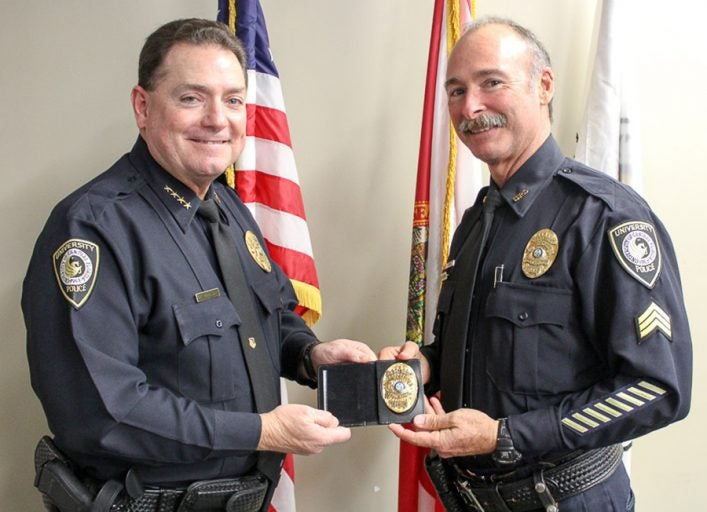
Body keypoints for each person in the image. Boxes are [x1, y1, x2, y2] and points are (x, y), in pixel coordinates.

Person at [23, 18, 376, 512]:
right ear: (142, 107)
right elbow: (103, 413)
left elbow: (271, 317)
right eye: (192, 98)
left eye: (233, 100)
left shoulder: (228, 209)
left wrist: (310, 356)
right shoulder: (92, 228)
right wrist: (263, 430)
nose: (218, 119)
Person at [381, 17, 691, 512]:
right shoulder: (476, 221)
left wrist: (505, 436)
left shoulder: (603, 215)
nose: (471, 107)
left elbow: (657, 387)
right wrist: (425, 365)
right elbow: (489, 355)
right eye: (456, 90)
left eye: (492, 83)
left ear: (543, 85)